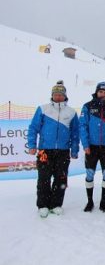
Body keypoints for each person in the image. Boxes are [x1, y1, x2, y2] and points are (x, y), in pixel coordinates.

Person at [28, 80, 80, 218]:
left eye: (60, 94)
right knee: (44, 178)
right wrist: (32, 145)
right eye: (55, 94)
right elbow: (33, 128)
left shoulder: (71, 112)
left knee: (61, 178)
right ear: (52, 95)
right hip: (45, 150)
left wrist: (74, 149)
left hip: (63, 151)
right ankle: (43, 205)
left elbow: (75, 133)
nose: (58, 96)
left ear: (65, 96)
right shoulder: (43, 109)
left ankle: (56, 204)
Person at [79, 82, 105, 213]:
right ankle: (90, 201)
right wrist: (85, 144)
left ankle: (103, 202)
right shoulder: (87, 106)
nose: (102, 94)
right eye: (100, 92)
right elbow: (83, 126)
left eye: (104, 92)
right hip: (91, 147)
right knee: (89, 174)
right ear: (96, 92)